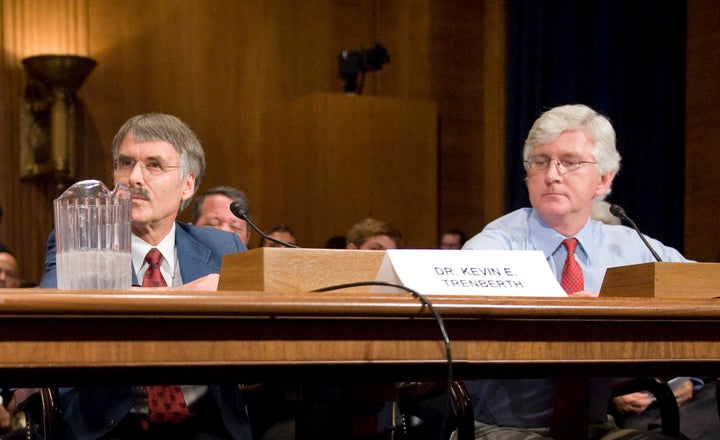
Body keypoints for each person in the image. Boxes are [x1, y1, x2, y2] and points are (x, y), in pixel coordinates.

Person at [461, 104, 688, 440]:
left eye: (569, 162)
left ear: (604, 179)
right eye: (540, 162)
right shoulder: (495, 245)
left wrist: (619, 304)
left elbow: (705, 288)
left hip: (598, 428)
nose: (552, 174)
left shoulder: (630, 245)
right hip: (502, 430)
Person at [39, 113, 252, 439]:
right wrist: (184, 297)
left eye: (154, 165)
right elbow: (51, 312)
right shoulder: (81, 240)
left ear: (187, 184)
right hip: (114, 427)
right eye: (125, 163)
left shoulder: (223, 246)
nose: (134, 177)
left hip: (208, 426)